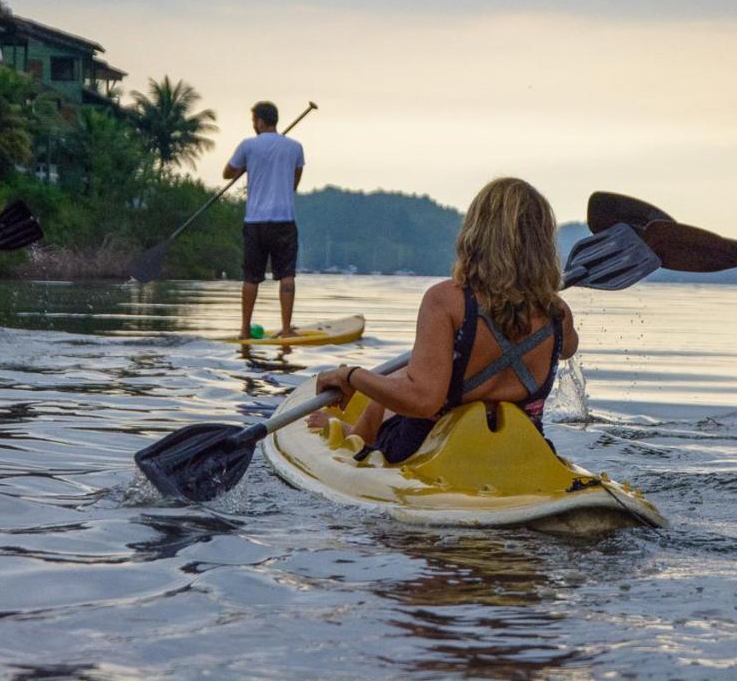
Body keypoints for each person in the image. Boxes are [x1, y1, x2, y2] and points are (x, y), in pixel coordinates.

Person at [312, 177, 580, 463]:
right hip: (522, 455)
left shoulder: (447, 301)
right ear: (542, 244)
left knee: (396, 378)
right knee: (399, 376)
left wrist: (350, 375)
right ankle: (357, 431)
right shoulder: (557, 313)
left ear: (476, 234)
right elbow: (568, 349)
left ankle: (356, 437)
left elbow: (423, 401)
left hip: (433, 452)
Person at [223, 101, 305, 339]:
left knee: (251, 276)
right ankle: (287, 330)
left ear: (259, 121)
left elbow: (227, 173)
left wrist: (246, 167)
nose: (254, 125)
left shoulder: (248, 146)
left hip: (255, 221)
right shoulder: (294, 147)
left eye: (254, 121)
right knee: (286, 274)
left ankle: (244, 330)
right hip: (284, 219)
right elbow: (296, 176)